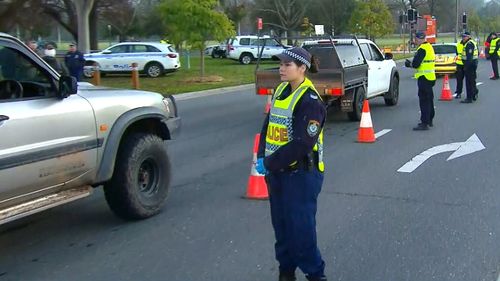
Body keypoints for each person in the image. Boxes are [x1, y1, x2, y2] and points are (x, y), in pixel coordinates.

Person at [255, 47, 327, 281]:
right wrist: (261, 155)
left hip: (302, 175)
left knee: (301, 232)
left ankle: (316, 274)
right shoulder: (282, 90)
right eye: (281, 64)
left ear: (302, 68)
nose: (281, 68)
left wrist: (269, 162)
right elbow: (268, 126)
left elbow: (301, 144)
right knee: (282, 229)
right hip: (278, 174)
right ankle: (286, 273)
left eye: (287, 65)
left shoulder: (310, 100)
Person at [405, 31, 436, 130]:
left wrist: (409, 64)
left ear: (418, 39)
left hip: (424, 77)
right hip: (431, 76)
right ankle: (430, 119)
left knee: (424, 101)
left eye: (415, 38)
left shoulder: (422, 49)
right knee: (429, 99)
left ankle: (424, 122)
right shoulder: (429, 47)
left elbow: (416, 64)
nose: (415, 40)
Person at [460, 32, 479, 103]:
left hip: (470, 65)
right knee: (472, 80)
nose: (463, 38)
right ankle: (474, 92)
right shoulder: (471, 43)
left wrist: (466, 67)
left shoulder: (469, 44)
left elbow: (469, 57)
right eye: (462, 37)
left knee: (469, 82)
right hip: (473, 64)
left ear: (468, 37)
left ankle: (469, 98)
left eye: (464, 37)